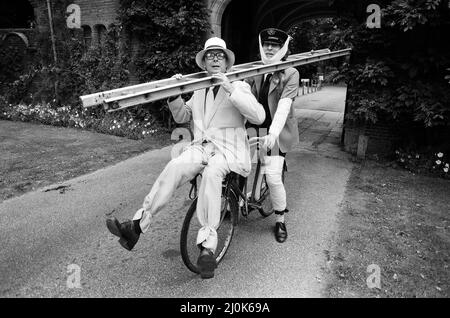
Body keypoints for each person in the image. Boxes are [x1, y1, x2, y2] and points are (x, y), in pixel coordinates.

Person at [106, 37, 265, 279]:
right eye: (210, 55)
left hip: (228, 151)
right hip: (201, 147)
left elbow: (258, 116)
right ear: (204, 62)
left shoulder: (239, 85)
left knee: (212, 174)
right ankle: (137, 226)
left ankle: (208, 250)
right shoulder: (199, 87)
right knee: (175, 165)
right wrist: (175, 93)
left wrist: (230, 88)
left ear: (227, 62)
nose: (214, 58)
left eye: (219, 55)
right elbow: (183, 116)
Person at [246, 28, 300, 243]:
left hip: (276, 132)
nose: (269, 48)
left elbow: (284, 106)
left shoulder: (291, 73)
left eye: (275, 45)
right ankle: (237, 202)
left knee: (273, 176)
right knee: (239, 166)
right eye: (266, 44)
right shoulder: (254, 70)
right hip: (253, 127)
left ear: (283, 48)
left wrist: (273, 134)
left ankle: (280, 218)